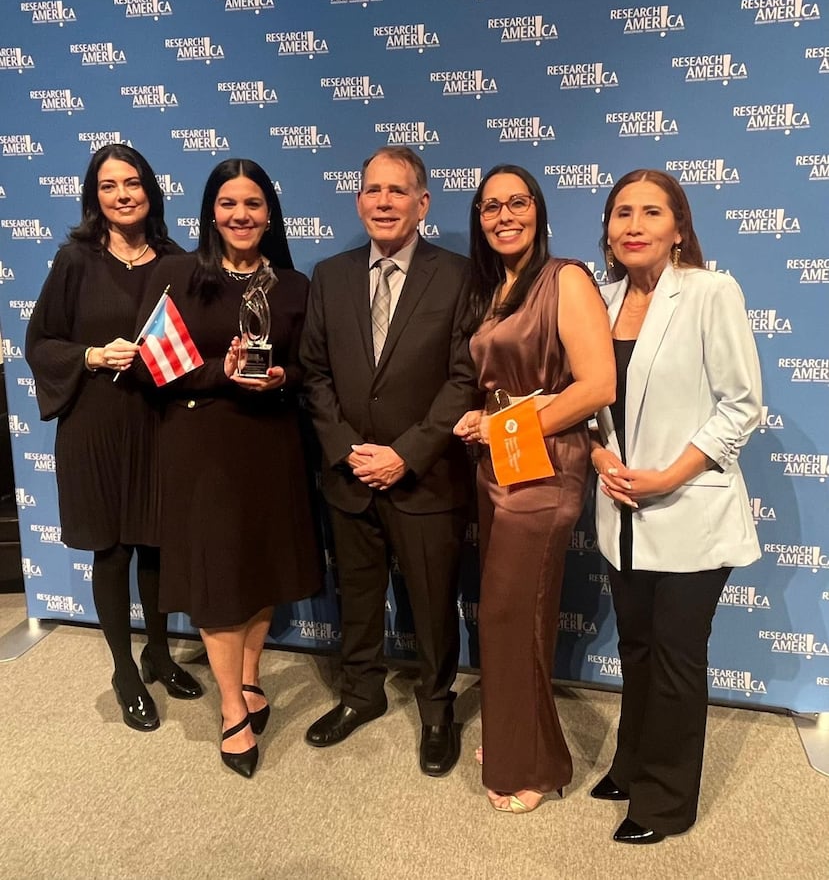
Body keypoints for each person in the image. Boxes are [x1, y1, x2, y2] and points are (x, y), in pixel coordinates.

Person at [588, 169, 762, 843]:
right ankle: (631, 764)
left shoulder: (710, 292)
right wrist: (599, 457)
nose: (633, 225)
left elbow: (741, 406)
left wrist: (667, 476)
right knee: (636, 647)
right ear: (607, 228)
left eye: (651, 212)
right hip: (621, 512)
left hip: (690, 509)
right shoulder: (598, 300)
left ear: (679, 228)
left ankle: (664, 802)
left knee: (675, 657)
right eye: (621, 212)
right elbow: (586, 402)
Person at [300, 145, 480, 776]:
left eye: (397, 191)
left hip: (425, 476)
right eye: (372, 190)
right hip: (350, 473)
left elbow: (464, 378)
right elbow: (314, 373)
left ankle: (436, 709)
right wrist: (349, 450)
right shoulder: (330, 275)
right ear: (358, 202)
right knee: (357, 594)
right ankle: (361, 693)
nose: (383, 202)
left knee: (432, 603)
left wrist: (405, 454)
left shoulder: (458, 276)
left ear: (422, 203)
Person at [138, 158, 321, 778]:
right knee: (218, 579)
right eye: (228, 203)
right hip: (203, 448)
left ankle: (248, 677)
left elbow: (310, 366)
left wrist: (280, 377)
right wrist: (224, 371)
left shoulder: (293, 285)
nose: (241, 215)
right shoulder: (176, 274)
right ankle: (231, 709)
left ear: (270, 214)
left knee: (260, 567)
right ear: (211, 213)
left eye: (252, 203)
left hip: (271, 443)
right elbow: (151, 365)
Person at [453, 165, 615, 812]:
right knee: (509, 614)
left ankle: (533, 765)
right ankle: (514, 736)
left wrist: (504, 425)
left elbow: (596, 386)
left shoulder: (564, 278)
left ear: (538, 211)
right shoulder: (495, 288)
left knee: (511, 612)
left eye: (516, 202)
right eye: (490, 206)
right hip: (500, 462)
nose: (504, 216)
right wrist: (484, 420)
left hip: (545, 467)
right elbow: (499, 385)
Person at [25, 144, 202, 732]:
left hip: (157, 422)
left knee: (155, 544)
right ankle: (125, 672)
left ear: (149, 189)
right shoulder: (75, 260)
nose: (122, 195)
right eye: (108, 186)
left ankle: (159, 653)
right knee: (113, 549)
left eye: (131, 183)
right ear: (93, 196)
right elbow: (41, 342)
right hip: (95, 424)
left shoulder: (176, 260)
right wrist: (93, 355)